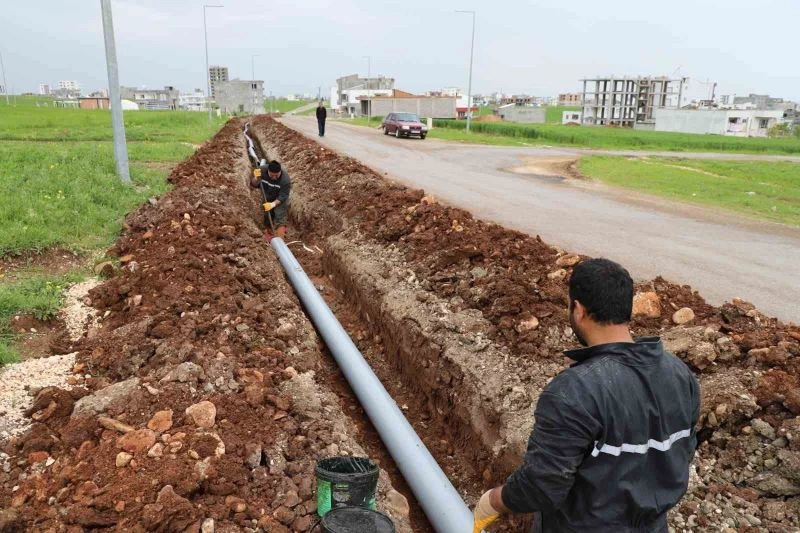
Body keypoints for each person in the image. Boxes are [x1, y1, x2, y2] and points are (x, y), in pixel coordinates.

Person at [473, 258, 700, 533]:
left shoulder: (573, 391)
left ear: (578, 310)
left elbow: (542, 486)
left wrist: (492, 502)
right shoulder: (679, 374)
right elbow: (680, 453)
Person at [250, 160, 291, 240]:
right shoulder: (261, 170)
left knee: (280, 216)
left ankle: (280, 240)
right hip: (268, 195)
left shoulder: (285, 180)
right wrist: (256, 178)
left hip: (280, 199)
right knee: (267, 215)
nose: (274, 178)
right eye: (272, 175)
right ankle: (268, 232)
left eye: (277, 175)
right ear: (268, 171)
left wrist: (273, 204)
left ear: (280, 172)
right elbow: (254, 184)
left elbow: (283, 196)